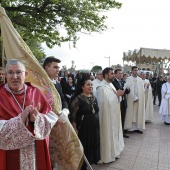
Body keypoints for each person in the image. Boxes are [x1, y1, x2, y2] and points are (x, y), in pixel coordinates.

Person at [0, 59, 68, 170]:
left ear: (25, 74)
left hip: (35, 152)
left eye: (18, 72)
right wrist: (19, 121)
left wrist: (35, 120)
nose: (15, 76)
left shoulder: (35, 92)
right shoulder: (1, 94)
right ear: (5, 75)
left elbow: (50, 118)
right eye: (11, 73)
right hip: (10, 155)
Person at [70, 77, 100, 170]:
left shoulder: (93, 98)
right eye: (88, 84)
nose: (90, 86)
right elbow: (73, 116)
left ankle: (88, 164)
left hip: (94, 127)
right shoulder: (78, 99)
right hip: (83, 128)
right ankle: (82, 166)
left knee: (92, 145)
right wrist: (75, 128)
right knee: (84, 146)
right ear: (82, 87)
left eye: (91, 84)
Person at [96, 67, 124, 163]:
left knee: (115, 134)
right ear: (106, 75)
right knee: (108, 135)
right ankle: (108, 155)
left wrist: (118, 96)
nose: (113, 75)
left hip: (114, 116)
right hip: (107, 118)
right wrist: (117, 95)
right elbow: (103, 105)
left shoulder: (111, 85)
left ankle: (114, 152)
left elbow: (115, 99)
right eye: (112, 73)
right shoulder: (101, 88)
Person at [124, 66, 145, 133]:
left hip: (138, 100)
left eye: (137, 70)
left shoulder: (140, 80)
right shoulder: (128, 79)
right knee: (131, 113)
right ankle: (129, 128)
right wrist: (133, 97)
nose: (136, 71)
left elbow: (142, 90)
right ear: (132, 71)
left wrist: (138, 97)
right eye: (134, 70)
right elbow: (127, 89)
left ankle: (137, 128)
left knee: (137, 113)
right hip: (131, 100)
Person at [113, 69, 130, 138]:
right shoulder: (113, 82)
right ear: (115, 74)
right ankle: (116, 133)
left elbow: (127, 92)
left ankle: (122, 133)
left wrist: (128, 88)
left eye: (121, 73)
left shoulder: (123, 81)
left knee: (122, 118)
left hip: (123, 102)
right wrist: (123, 89)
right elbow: (117, 90)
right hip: (117, 102)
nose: (121, 75)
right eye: (119, 73)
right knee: (117, 118)